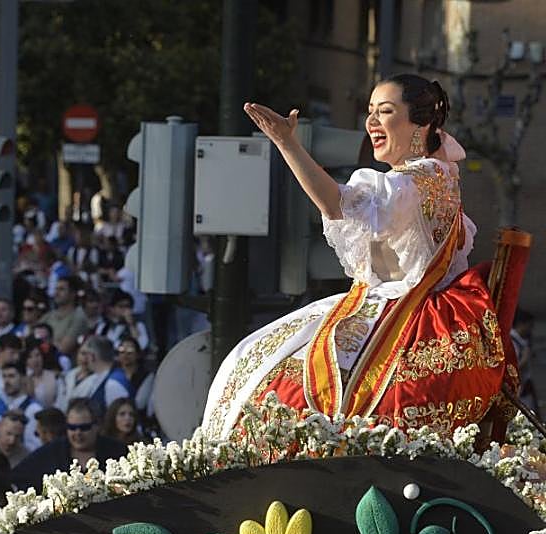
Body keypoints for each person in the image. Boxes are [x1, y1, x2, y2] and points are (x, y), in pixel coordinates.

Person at [204, 76, 510, 439]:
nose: (372, 122)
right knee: (253, 357)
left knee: (271, 378)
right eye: (370, 112)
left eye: (386, 111)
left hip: (401, 317)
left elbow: (335, 202)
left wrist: (288, 144)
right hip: (419, 311)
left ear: (420, 123)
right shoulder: (441, 175)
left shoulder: (407, 185)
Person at [10, 398, 129, 491]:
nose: (78, 433)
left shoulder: (117, 450)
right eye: (72, 427)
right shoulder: (52, 451)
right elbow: (18, 476)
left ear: (96, 426)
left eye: (84, 428)